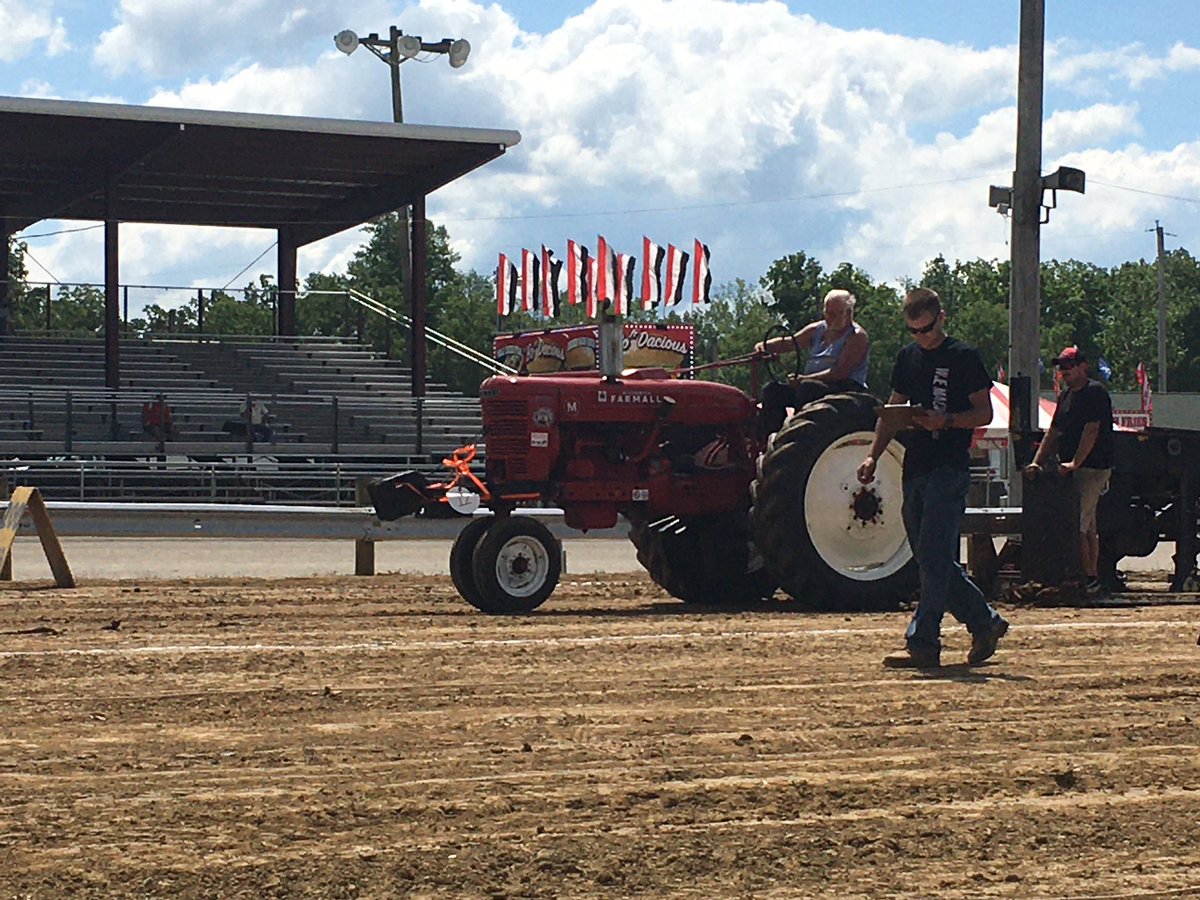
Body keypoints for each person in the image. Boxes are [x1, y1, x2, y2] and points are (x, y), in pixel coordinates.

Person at [856, 288, 1009, 669]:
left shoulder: (964, 357)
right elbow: (892, 411)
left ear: (941, 318)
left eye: (925, 329)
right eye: (913, 331)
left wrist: (948, 420)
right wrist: (873, 455)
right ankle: (984, 621)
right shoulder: (907, 358)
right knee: (930, 557)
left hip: (950, 467)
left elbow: (984, 413)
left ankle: (923, 640)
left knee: (935, 556)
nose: (920, 338)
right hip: (916, 467)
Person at [1024, 346, 1114, 596]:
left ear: (1083, 367)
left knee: (1079, 525)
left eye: (1069, 366)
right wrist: (1036, 462)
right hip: (1072, 470)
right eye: (1061, 367)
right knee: (1087, 525)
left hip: (1094, 467)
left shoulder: (1095, 392)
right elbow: (1054, 431)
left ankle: (1086, 578)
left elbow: (1092, 430)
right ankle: (1088, 576)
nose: (1064, 372)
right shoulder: (1065, 397)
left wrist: (1076, 462)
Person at [755, 289, 870, 437]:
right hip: (812, 384)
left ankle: (798, 435)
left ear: (849, 313)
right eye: (828, 313)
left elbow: (840, 372)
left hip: (844, 387)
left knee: (808, 388)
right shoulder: (817, 329)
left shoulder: (857, 337)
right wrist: (765, 346)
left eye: (836, 314)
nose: (831, 318)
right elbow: (792, 343)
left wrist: (804, 378)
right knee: (772, 390)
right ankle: (771, 439)